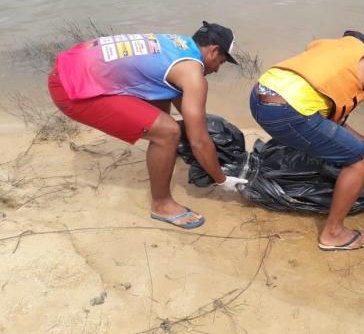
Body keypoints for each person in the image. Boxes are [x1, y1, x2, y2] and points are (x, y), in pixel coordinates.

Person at [47, 21, 248, 229]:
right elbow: (198, 141)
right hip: (70, 90)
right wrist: (222, 179)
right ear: (214, 50)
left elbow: (172, 97)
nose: (216, 70)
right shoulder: (193, 74)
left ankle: (165, 150)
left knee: (165, 115)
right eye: (221, 62)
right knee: (167, 133)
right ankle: (161, 205)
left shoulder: (178, 45)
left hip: (71, 64)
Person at [250, 31, 364, 251]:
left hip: (257, 98)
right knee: (360, 160)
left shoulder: (324, 50)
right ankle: (333, 233)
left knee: (349, 149)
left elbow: (334, 125)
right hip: (285, 112)